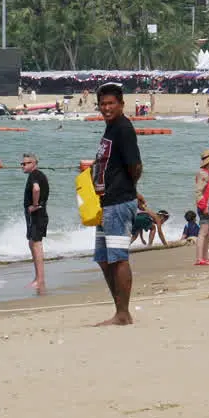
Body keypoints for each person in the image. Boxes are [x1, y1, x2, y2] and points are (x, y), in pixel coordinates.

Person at [91, 82, 142, 326]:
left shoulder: (123, 129)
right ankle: (119, 309)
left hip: (119, 202)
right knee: (103, 258)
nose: (107, 108)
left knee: (119, 258)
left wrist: (129, 189)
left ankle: (123, 313)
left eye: (111, 103)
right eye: (103, 104)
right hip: (105, 203)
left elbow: (135, 166)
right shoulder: (110, 129)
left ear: (121, 104)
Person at [21, 153, 49, 295]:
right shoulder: (38, 174)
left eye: (26, 163)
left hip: (37, 215)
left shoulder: (34, 175)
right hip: (38, 216)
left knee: (36, 245)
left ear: (34, 163)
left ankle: (39, 279)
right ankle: (38, 278)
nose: (23, 166)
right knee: (33, 243)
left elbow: (36, 189)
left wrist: (35, 204)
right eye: (22, 163)